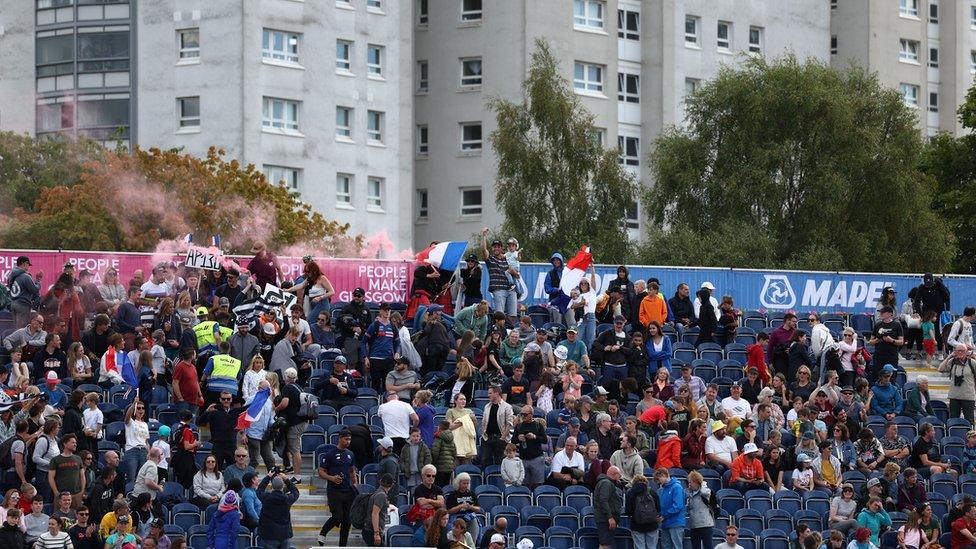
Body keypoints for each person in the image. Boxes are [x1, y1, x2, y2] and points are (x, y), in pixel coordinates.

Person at [317, 429, 357, 546]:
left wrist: (355, 483)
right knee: (337, 517)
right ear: (340, 438)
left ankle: (342, 546)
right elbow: (321, 471)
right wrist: (331, 478)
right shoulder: (330, 454)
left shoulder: (350, 454)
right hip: (334, 491)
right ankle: (323, 532)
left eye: (349, 439)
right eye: (346, 439)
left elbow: (351, 470)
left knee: (347, 521)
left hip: (347, 491)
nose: (348, 441)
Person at [257, 472, 299, 549]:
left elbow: (259, 490)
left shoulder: (267, 498)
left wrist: (268, 477)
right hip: (284, 534)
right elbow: (295, 491)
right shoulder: (287, 499)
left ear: (272, 486)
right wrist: (286, 479)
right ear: (283, 486)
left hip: (269, 534)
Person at [940, 345, 976, 424]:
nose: (960, 352)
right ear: (955, 352)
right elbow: (940, 369)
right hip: (954, 396)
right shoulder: (952, 361)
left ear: (966, 352)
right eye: (958, 350)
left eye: (962, 350)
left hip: (968, 396)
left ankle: (970, 436)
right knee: (953, 420)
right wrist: (949, 357)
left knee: (969, 421)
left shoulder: (972, 363)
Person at [625, 473, 661, 549]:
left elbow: (628, 511)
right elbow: (658, 508)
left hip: (636, 525)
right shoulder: (652, 491)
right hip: (652, 524)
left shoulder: (630, 492)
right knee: (652, 546)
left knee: (639, 546)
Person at [654, 467, 686, 549]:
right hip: (666, 523)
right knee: (665, 546)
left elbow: (678, 506)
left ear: (663, 475)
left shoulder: (677, 487)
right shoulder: (663, 489)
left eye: (658, 479)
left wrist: (663, 516)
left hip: (676, 523)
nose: (659, 482)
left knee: (676, 546)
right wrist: (660, 515)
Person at [593, 466, 624, 549]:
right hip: (605, 519)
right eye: (619, 476)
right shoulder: (606, 483)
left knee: (605, 542)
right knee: (605, 543)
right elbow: (603, 500)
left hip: (605, 518)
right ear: (615, 474)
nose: (620, 478)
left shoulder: (606, 483)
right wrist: (610, 517)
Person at [364, 473, 395, 547]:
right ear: (392, 485)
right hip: (371, 531)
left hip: (370, 530)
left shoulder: (378, 493)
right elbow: (375, 514)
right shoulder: (381, 495)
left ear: (380, 481)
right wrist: (376, 534)